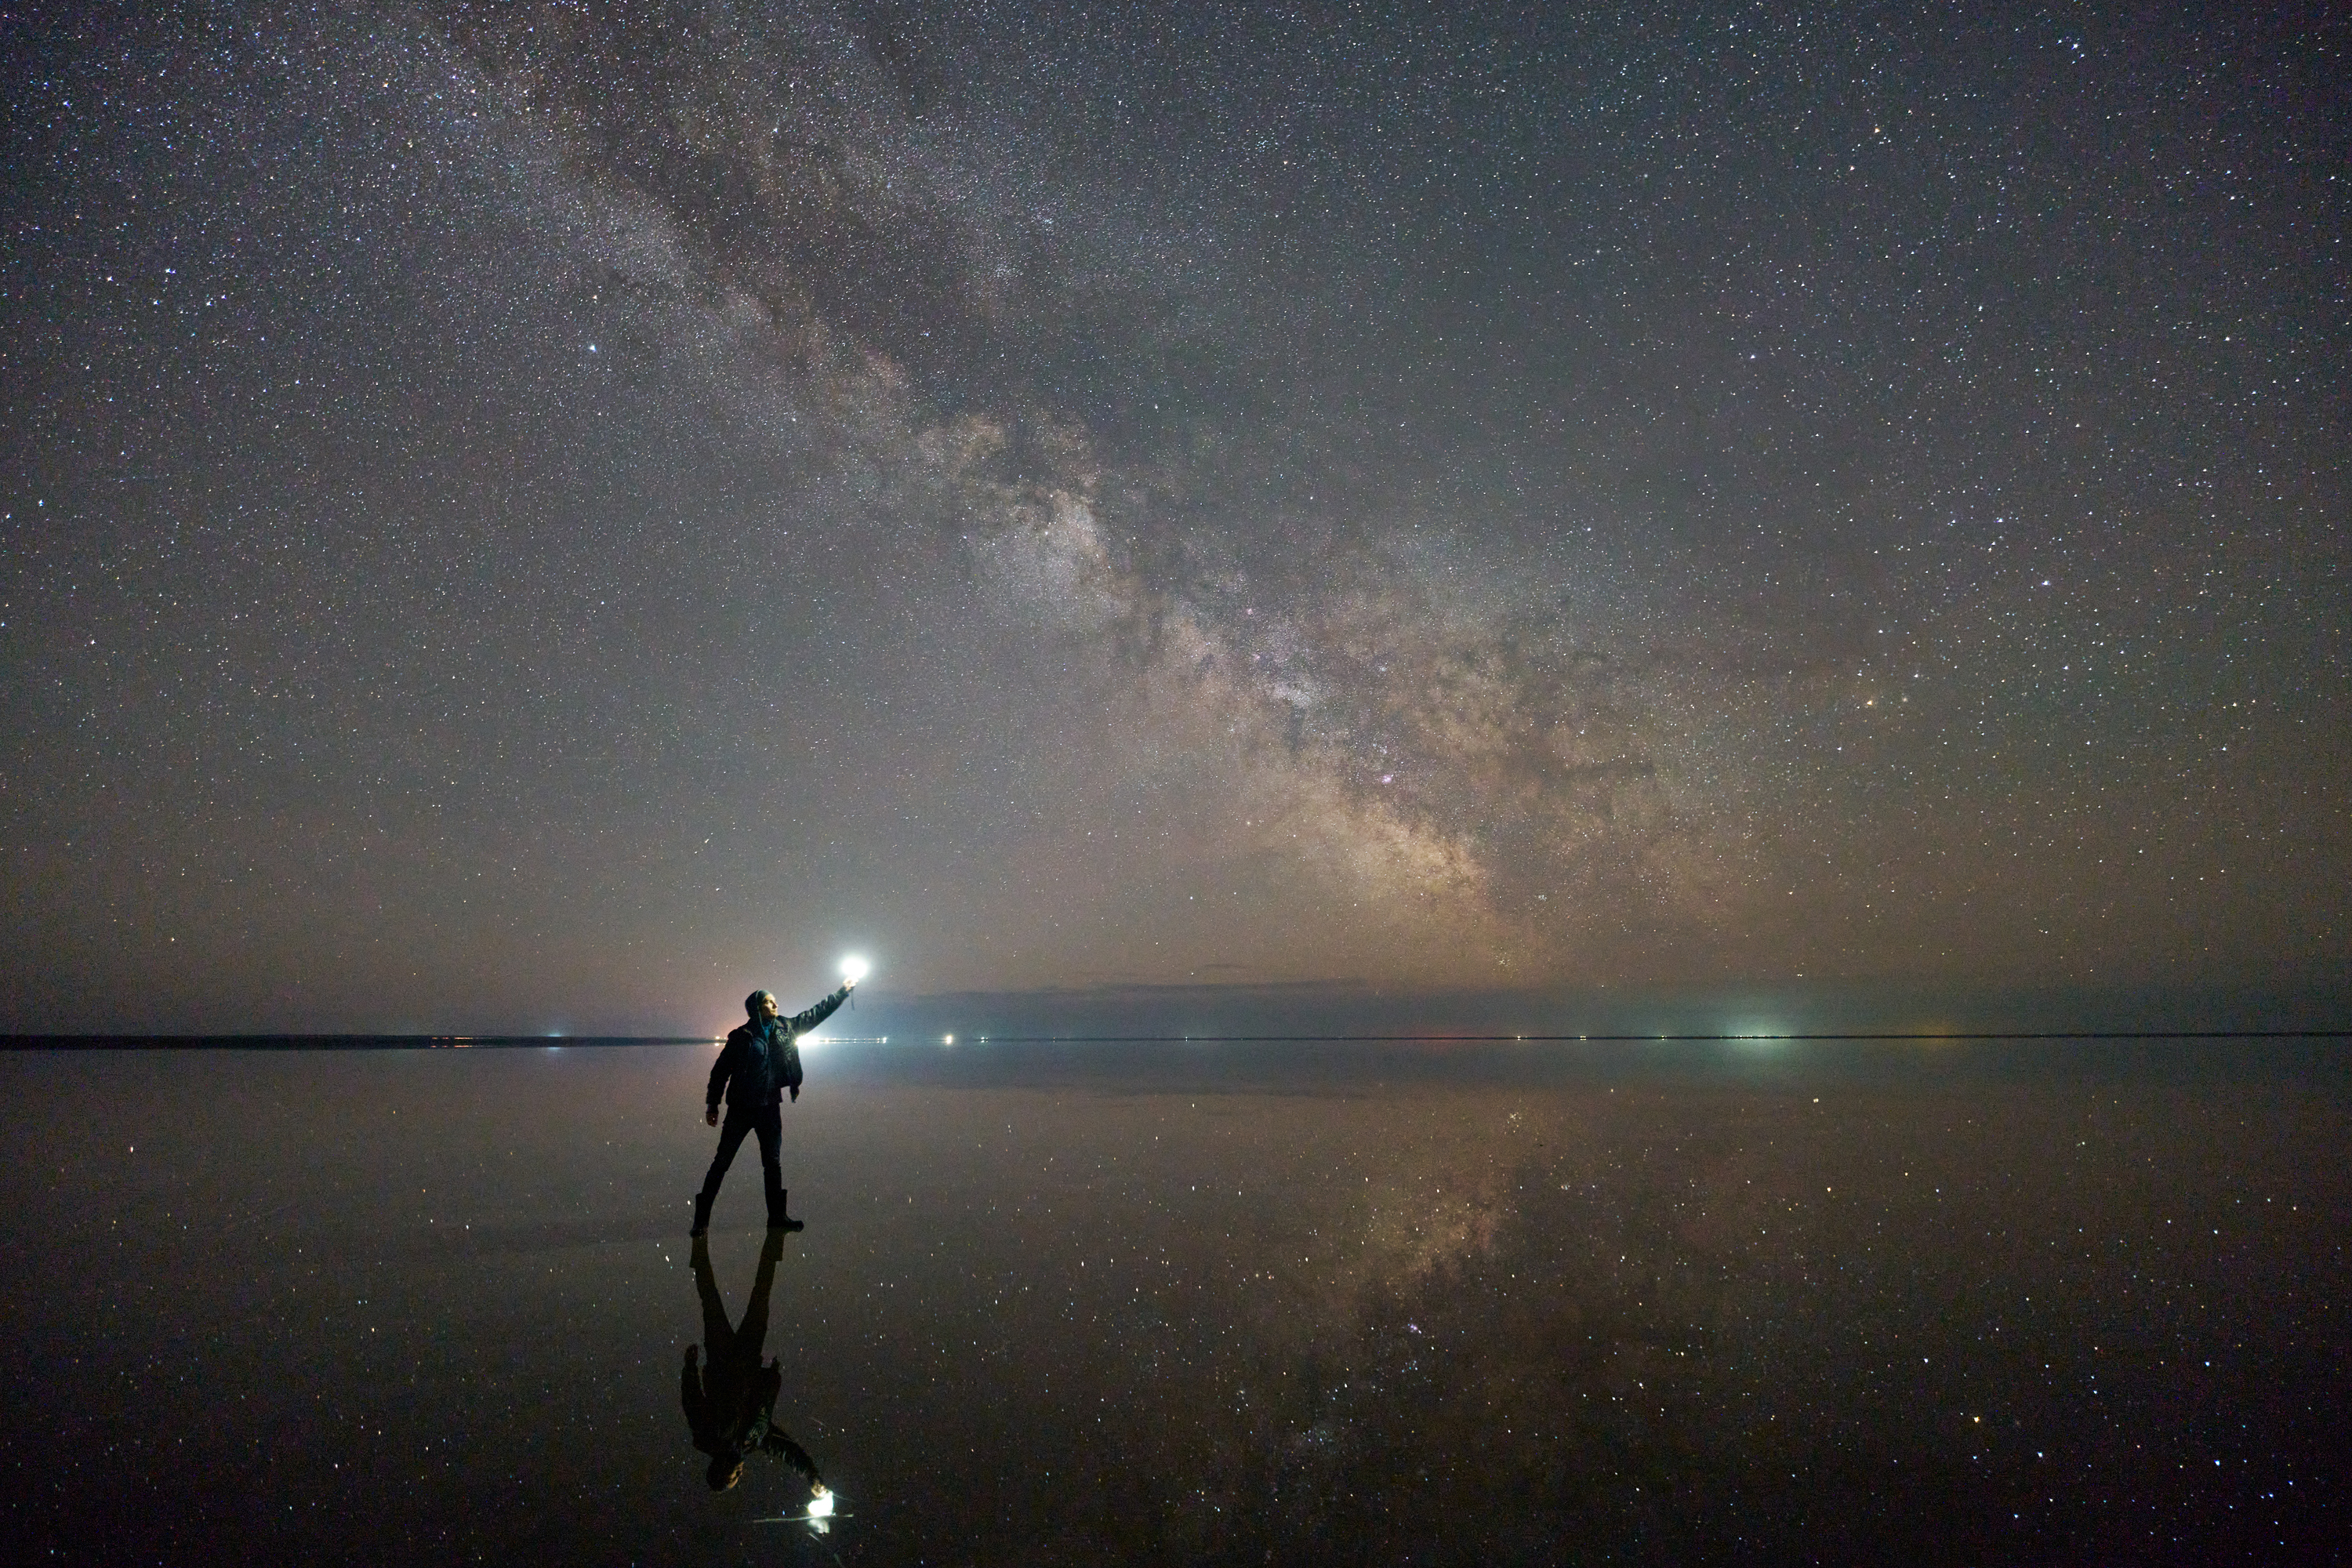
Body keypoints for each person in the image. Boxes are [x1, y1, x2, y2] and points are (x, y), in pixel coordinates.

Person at [691, 979, 852, 1236]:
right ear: (756, 1007)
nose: (775, 1004)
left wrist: (844, 991)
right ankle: (701, 1221)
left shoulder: (786, 1027)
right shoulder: (741, 1037)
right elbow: (720, 1072)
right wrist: (712, 1105)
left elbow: (816, 1013)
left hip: (770, 1108)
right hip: (741, 1110)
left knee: (773, 1163)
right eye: (768, 1001)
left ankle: (777, 1218)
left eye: (774, 1000)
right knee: (722, 1162)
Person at [681, 1228, 829, 1502]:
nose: (739, 1474)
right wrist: (812, 1477)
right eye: (736, 1479)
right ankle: (776, 1237)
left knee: (711, 1299)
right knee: (761, 1296)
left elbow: (692, 1401)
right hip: (748, 1357)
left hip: (722, 1357)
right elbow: (787, 1450)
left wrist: (690, 1366)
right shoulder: (753, 1439)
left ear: (721, 1469)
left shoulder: (709, 1435)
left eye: (732, 1477)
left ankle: (699, 1247)